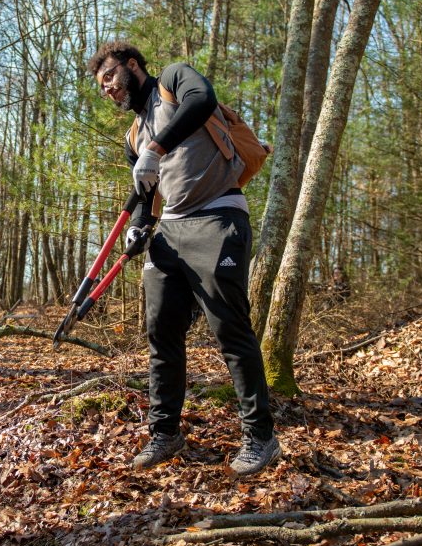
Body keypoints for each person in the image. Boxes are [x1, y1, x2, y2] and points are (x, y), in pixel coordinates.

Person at [86, 41, 281, 477]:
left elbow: (203, 100)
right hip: (169, 231)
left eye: (111, 78)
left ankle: (261, 437)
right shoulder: (133, 137)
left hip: (217, 216)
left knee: (229, 330)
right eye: (102, 87)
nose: (109, 90)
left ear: (132, 66)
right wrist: (139, 224)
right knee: (161, 335)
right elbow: (145, 192)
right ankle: (165, 432)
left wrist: (156, 148)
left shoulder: (174, 81)